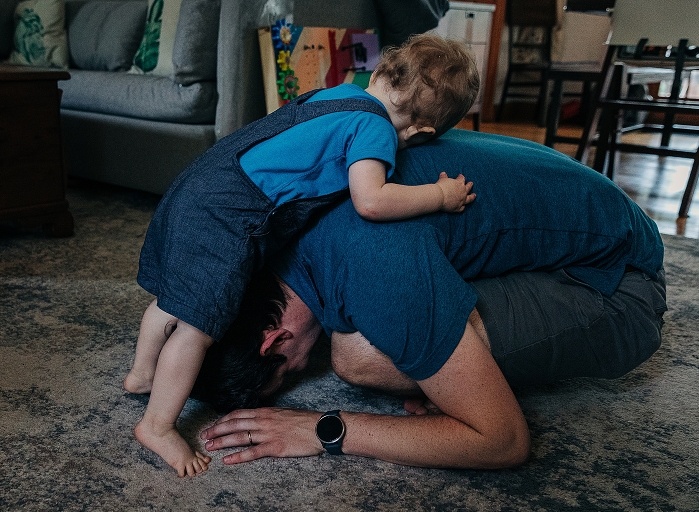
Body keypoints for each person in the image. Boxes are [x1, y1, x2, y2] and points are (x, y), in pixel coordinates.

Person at [194, 129, 668, 469]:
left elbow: (502, 442)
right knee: (387, 331)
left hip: (618, 287)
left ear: (275, 340)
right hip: (583, 219)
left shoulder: (372, 266)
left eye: (290, 373)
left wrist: (318, 429)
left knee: (361, 356)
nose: (303, 370)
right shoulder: (276, 218)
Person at [122, 34, 480, 477]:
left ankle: (142, 374)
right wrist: (440, 195)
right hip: (231, 214)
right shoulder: (376, 127)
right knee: (198, 327)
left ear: (383, 74)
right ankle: (157, 424)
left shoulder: (339, 94)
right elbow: (371, 200)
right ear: (423, 131)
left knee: (171, 298)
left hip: (200, 186)